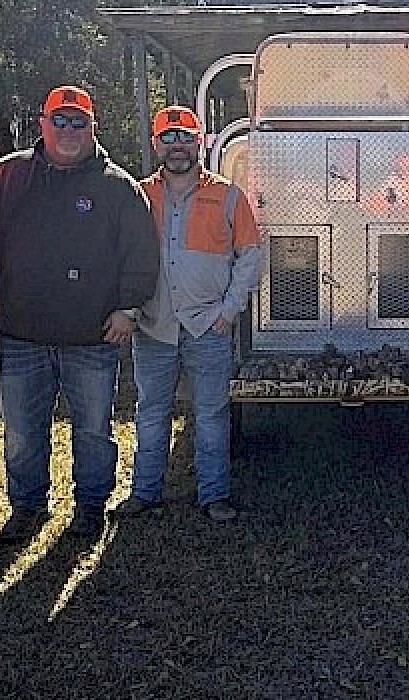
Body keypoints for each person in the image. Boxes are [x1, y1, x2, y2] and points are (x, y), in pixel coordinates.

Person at [0, 86, 159, 542]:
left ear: (92, 128)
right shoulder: (7, 177)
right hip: (21, 333)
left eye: (78, 122)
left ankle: (91, 506)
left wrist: (128, 307)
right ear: (42, 124)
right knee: (22, 433)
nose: (68, 130)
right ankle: (27, 507)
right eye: (59, 120)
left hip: (92, 336)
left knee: (92, 432)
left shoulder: (117, 186)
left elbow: (141, 253)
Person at [113, 105, 265, 523]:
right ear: (155, 144)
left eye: (185, 137)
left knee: (212, 415)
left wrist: (228, 311)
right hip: (154, 325)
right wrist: (130, 308)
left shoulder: (229, 195)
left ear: (200, 143)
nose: (177, 145)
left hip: (208, 327)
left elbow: (251, 255)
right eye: (168, 137)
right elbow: (122, 256)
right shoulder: (139, 195)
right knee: (152, 413)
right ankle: (145, 493)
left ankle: (214, 496)